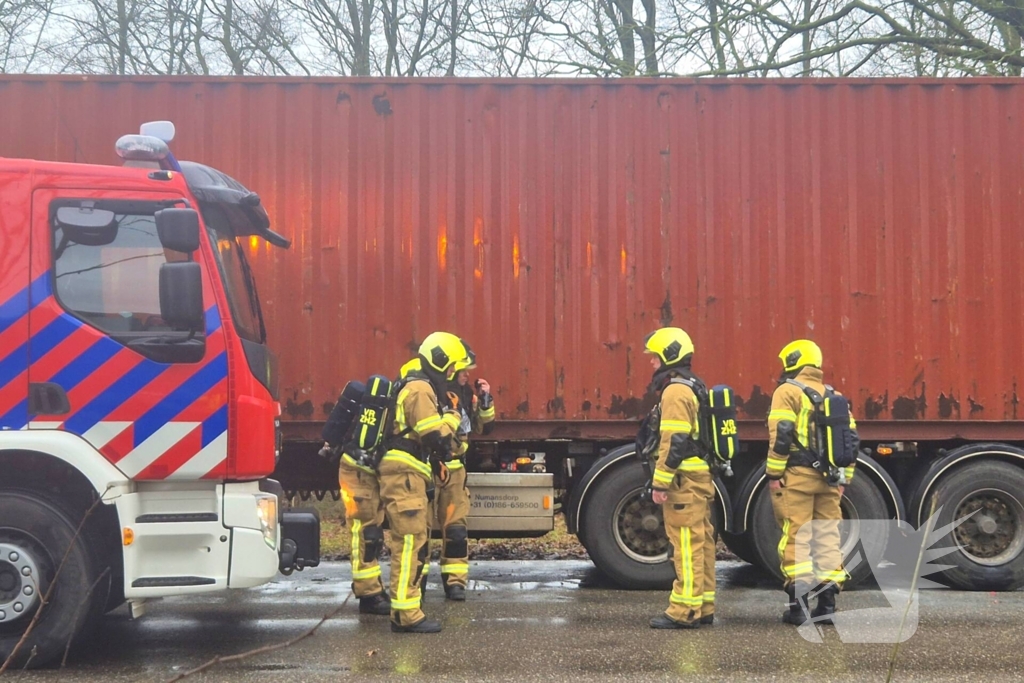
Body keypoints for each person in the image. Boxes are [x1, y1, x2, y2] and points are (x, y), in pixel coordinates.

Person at [379, 331, 467, 633]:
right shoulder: (419, 389)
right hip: (404, 474)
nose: (453, 373)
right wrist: (453, 416)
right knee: (409, 542)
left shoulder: (418, 385)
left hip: (409, 472)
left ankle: (406, 610)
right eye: (452, 366)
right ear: (440, 361)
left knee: (413, 541)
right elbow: (436, 438)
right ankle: (405, 615)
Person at [766, 339, 857, 625]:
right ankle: (827, 606)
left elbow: (781, 434)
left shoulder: (787, 391)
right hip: (829, 479)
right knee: (828, 537)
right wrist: (844, 478)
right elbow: (851, 440)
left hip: (797, 477)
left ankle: (799, 609)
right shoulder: (834, 395)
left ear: (793, 360)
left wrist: (774, 473)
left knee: (797, 537)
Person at [640, 327, 717, 629]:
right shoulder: (693, 385)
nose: (651, 362)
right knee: (701, 542)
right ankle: (704, 605)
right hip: (697, 477)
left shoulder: (675, 391)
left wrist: (660, 482)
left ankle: (684, 611)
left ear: (668, 355)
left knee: (686, 544)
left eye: (655, 356)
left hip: (683, 480)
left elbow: (674, 441)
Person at [433, 346, 495, 600]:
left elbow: (482, 428)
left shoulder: (466, 394)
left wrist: (485, 399)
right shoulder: (431, 392)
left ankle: (456, 582)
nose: (467, 375)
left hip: (456, 471)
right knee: (418, 532)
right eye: (463, 370)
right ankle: (415, 583)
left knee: (456, 531)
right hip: (430, 469)